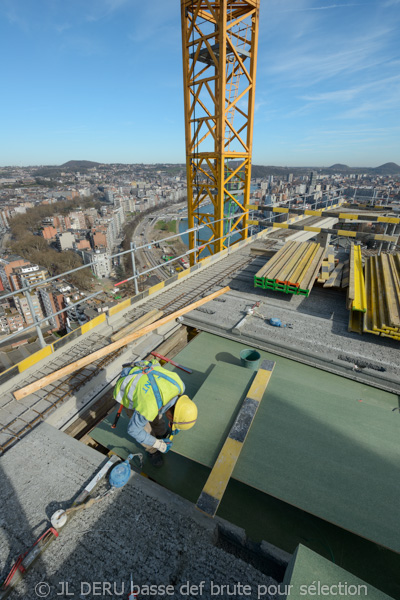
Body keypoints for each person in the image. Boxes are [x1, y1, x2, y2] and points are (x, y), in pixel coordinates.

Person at [113, 358, 197, 467]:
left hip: (146, 371)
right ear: (170, 416)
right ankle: (152, 450)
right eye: (172, 421)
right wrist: (156, 444)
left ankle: (160, 432)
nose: (171, 422)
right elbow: (133, 430)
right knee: (144, 428)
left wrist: (175, 426)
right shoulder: (148, 407)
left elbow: (158, 401)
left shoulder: (180, 385)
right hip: (129, 384)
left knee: (157, 413)